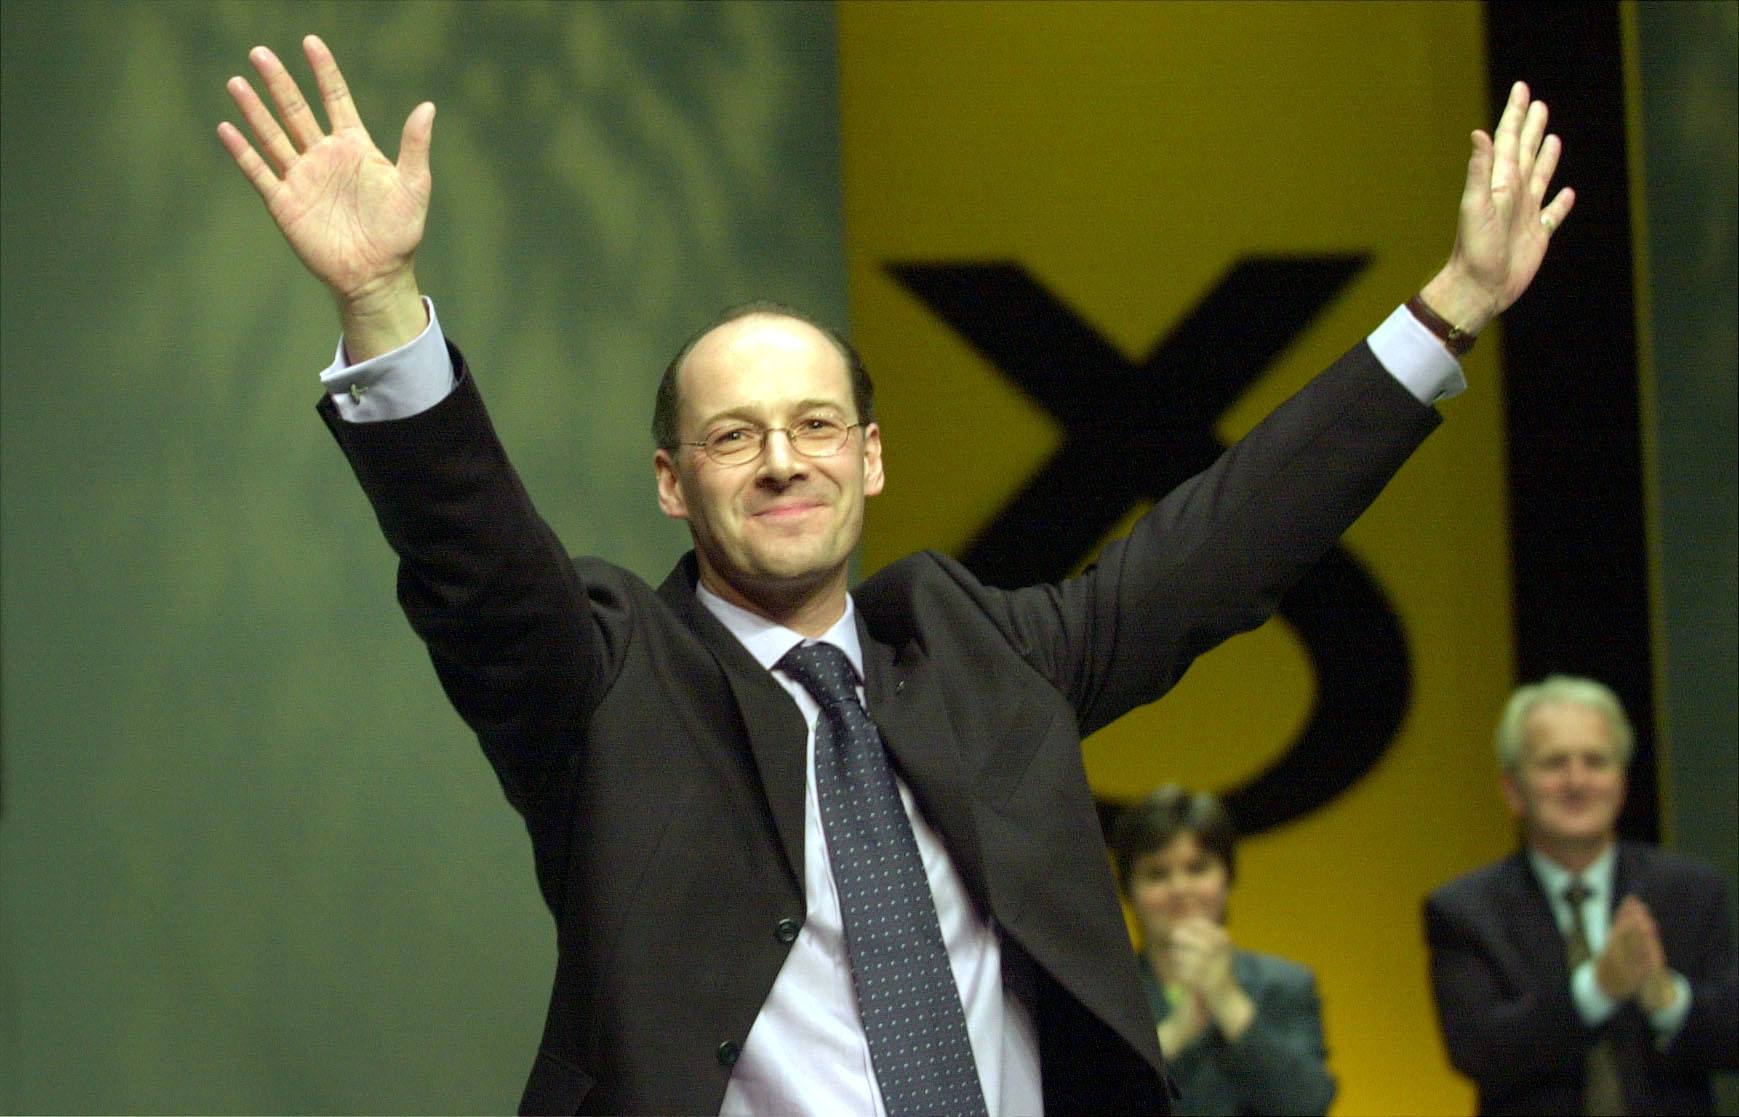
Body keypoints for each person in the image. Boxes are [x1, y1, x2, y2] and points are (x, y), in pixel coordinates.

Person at [216, 34, 1575, 1117]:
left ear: (869, 457)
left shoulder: (980, 650)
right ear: (669, 483)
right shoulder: (609, 680)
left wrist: (1446, 307)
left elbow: (1219, 544)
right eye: (732, 436)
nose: (780, 462)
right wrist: (381, 303)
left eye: (814, 425)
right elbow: (476, 561)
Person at [1425, 676, 1739, 1115]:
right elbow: (1480, 1050)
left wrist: (1669, 1001)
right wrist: (1599, 988)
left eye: (1596, 761)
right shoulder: (1466, 911)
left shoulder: (1689, 891)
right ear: (1512, 790)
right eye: (1554, 763)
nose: (1577, 781)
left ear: (1622, 784)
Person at [1110, 786, 1335, 1115]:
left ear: (1227, 877)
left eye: (1197, 868)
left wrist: (1228, 1002)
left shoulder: (1286, 984)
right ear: (1129, 891)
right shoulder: (1104, 997)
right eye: (1157, 874)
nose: (1180, 889)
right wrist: (1175, 1033)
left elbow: (1309, 1103)